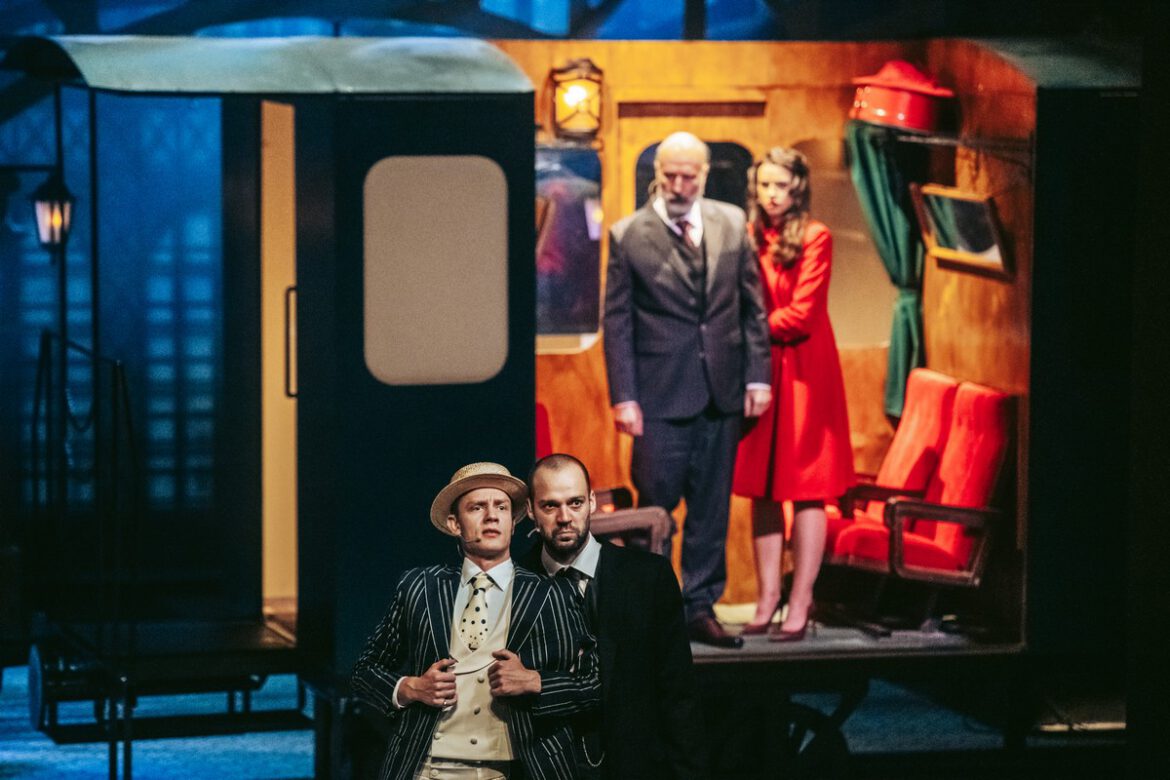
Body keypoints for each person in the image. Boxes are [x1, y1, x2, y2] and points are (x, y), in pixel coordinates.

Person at [603, 131, 772, 649]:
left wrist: (758, 375)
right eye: (670, 175)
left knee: (711, 510)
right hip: (659, 395)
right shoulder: (629, 234)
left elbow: (753, 307)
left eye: (689, 176)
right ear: (658, 173)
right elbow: (617, 321)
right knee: (656, 508)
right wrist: (624, 396)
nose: (679, 185)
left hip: (721, 392)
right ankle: (652, 614)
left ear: (703, 175)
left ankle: (700, 607)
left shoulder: (731, 222)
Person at [352, 462, 601, 780]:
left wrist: (536, 682)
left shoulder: (552, 593)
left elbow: (596, 685)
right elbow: (364, 671)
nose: (492, 516)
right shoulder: (420, 587)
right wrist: (411, 688)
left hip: (512, 771)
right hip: (424, 769)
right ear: (455, 523)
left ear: (513, 522)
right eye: (477, 507)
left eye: (501, 507)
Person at [519, 453, 709, 779]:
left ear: (592, 502)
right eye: (550, 506)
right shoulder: (514, 583)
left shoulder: (647, 578)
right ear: (530, 510)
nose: (564, 517)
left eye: (575, 503)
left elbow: (679, 695)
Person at [732, 147, 855, 641]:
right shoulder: (747, 234)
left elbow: (803, 314)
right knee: (761, 486)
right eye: (765, 185)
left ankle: (801, 600)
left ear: (798, 189)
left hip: (805, 371)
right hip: (761, 371)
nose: (772, 194)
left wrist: (745, 332)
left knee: (806, 488)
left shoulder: (816, 235)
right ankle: (767, 598)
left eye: (781, 186)